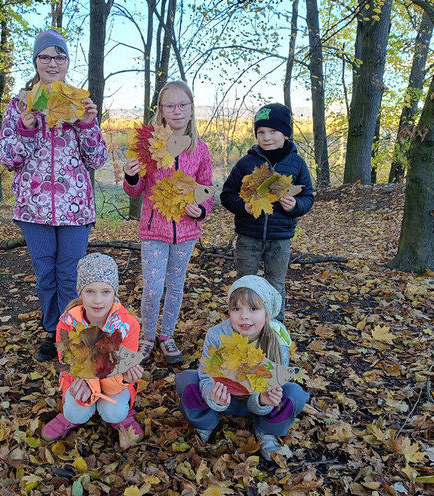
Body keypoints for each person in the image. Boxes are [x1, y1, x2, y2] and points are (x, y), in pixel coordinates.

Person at [0, 29, 108, 362]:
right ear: (36, 61)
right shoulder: (20, 104)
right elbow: (5, 157)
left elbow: (97, 159)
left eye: (60, 56)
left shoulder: (78, 102)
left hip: (76, 208)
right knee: (45, 274)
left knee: (70, 274)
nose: (53, 63)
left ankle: (70, 333)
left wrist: (87, 124)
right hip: (33, 209)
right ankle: (51, 331)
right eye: (45, 56)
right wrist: (25, 130)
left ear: (68, 62)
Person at [123, 80, 214, 365]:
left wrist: (201, 209)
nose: (177, 110)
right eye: (170, 105)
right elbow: (135, 191)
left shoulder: (200, 150)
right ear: (161, 110)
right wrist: (131, 176)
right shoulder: (150, 147)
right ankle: (148, 336)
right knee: (152, 287)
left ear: (191, 108)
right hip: (154, 231)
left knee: (175, 286)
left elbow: (207, 188)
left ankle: (167, 336)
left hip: (186, 232)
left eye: (183, 104)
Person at [175, 275, 309, 458]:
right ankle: (205, 423)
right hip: (224, 397)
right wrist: (213, 397)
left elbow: (274, 387)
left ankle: (267, 431)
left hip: (260, 402)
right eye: (236, 309)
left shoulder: (278, 340)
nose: (244, 316)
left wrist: (263, 401)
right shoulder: (216, 335)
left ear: (267, 312)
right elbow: (206, 375)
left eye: (253, 309)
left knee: (295, 393)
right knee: (186, 379)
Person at [220, 102, 313, 322]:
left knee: (276, 284)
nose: (266, 137)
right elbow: (227, 194)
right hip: (248, 236)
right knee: (245, 283)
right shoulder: (246, 163)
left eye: (273, 131)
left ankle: (275, 327)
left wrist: (295, 206)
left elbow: (308, 197)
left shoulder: (297, 164)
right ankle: (243, 324)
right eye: (261, 132)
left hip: (280, 238)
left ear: (286, 134)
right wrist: (243, 207)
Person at [42, 253, 145, 441]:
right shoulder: (67, 324)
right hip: (80, 378)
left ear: (115, 293)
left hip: (114, 382)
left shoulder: (128, 325)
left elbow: (123, 366)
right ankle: (70, 418)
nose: (98, 300)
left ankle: (120, 417)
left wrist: (125, 379)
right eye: (90, 291)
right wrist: (85, 383)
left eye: (105, 292)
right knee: (75, 413)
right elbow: (67, 364)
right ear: (80, 293)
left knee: (115, 412)